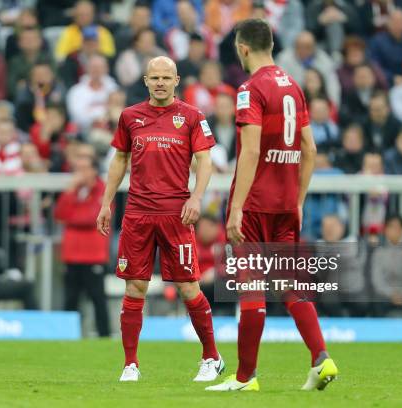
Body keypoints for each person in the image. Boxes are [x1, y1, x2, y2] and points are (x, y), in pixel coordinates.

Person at [207, 19, 338, 392]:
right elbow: (309, 149)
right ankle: (321, 357)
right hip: (284, 205)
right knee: (290, 285)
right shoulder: (294, 87)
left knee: (251, 288)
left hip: (255, 205)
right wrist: (297, 200)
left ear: (243, 48)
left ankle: (246, 378)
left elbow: (249, 151)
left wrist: (236, 208)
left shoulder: (250, 89)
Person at [96, 56, 223, 382]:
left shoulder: (192, 117)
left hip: (175, 214)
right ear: (146, 80)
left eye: (166, 77)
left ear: (177, 79)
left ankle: (211, 356)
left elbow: (205, 161)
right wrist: (106, 202)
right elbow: (119, 159)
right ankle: (130, 364)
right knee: (135, 286)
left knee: (187, 287)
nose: (161, 83)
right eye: (155, 77)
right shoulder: (130, 116)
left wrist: (196, 197)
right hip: (138, 213)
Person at [55, 155, 111, 337]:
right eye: (77, 169)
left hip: (93, 254)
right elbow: (60, 214)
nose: (80, 174)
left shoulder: (104, 190)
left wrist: (73, 212)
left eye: (84, 168)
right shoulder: (74, 191)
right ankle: (66, 335)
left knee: (98, 300)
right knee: (70, 300)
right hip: (72, 254)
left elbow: (91, 217)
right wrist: (71, 193)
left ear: (94, 170)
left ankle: (105, 336)